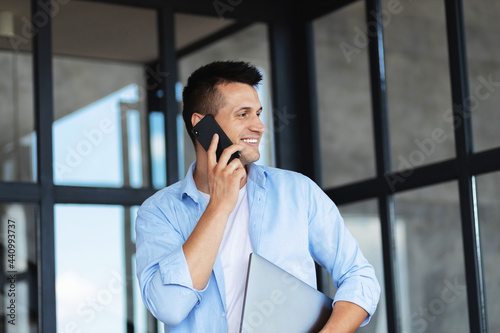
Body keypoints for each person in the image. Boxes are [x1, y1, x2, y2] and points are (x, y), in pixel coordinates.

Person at [135, 61, 380, 332]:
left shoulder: (298, 192)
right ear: (202, 125)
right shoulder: (158, 212)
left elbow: (360, 277)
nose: (259, 126)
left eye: (258, 113)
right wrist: (219, 207)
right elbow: (169, 307)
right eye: (243, 114)